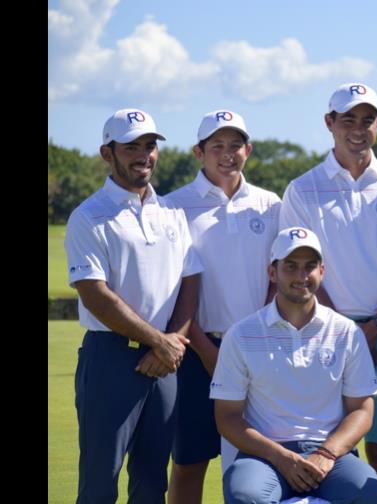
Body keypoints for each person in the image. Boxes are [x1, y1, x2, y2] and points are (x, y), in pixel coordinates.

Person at [279, 82, 377, 499]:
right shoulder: (303, 189)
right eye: (348, 120)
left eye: (368, 120)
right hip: (319, 331)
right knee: (326, 443)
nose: (358, 129)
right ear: (330, 122)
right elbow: (300, 273)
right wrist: (343, 329)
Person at [64, 108, 203, 503]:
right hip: (110, 357)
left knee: (152, 481)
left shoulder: (171, 212)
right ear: (106, 153)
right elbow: (95, 294)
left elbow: (190, 280)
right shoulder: (89, 216)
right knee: (99, 482)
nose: (143, 155)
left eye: (149, 145)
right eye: (131, 147)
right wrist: (160, 342)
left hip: (165, 361)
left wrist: (172, 343)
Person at [211, 227, 377, 504]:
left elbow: (362, 410)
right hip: (265, 456)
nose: (301, 276)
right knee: (246, 496)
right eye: (290, 266)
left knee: (369, 494)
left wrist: (326, 453)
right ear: (272, 272)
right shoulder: (242, 334)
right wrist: (281, 458)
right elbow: (227, 417)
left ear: (322, 271)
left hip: (331, 456)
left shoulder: (346, 332)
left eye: (310, 266)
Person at [164, 109, 282, 503]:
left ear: (249, 150)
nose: (227, 154)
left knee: (257, 459)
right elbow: (175, 291)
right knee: (190, 460)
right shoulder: (173, 206)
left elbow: (277, 278)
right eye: (217, 146)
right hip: (198, 352)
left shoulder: (270, 204)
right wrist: (206, 350)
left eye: (236, 145)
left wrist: (254, 341)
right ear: (199, 152)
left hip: (258, 350)